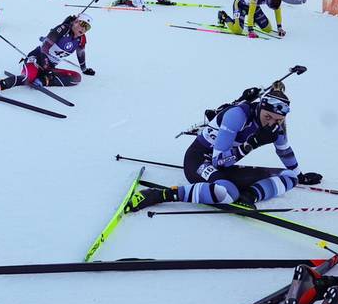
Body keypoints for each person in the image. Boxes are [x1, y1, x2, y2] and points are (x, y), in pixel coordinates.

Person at [125, 85, 321, 211]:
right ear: (260, 107)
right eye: (267, 116)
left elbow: (284, 151)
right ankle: (161, 194)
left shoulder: (277, 126)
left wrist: (300, 175)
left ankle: (250, 195)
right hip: (200, 161)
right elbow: (218, 160)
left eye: (277, 119)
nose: (270, 122)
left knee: (290, 177)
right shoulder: (237, 115)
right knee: (227, 193)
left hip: (225, 167)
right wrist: (251, 144)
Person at [0, 13, 94, 93]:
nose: (83, 29)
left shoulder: (81, 39)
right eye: (82, 24)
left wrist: (84, 69)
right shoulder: (63, 29)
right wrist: (45, 65)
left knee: (76, 78)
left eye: (87, 28)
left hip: (49, 66)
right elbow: (45, 47)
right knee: (28, 78)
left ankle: (42, 80)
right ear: (75, 22)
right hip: (36, 58)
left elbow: (81, 54)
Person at [216, 0, 285, 38]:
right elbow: (251, 13)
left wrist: (279, 28)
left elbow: (277, 11)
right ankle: (223, 16)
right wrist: (250, 30)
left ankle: (255, 21)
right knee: (237, 30)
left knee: (268, 29)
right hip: (240, 5)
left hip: (254, 6)